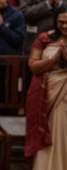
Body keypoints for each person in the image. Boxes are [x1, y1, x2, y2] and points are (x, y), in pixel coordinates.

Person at [25, 11, 67, 168]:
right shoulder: (45, 39)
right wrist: (54, 59)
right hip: (49, 93)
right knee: (53, 129)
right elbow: (33, 66)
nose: (64, 26)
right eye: (61, 22)